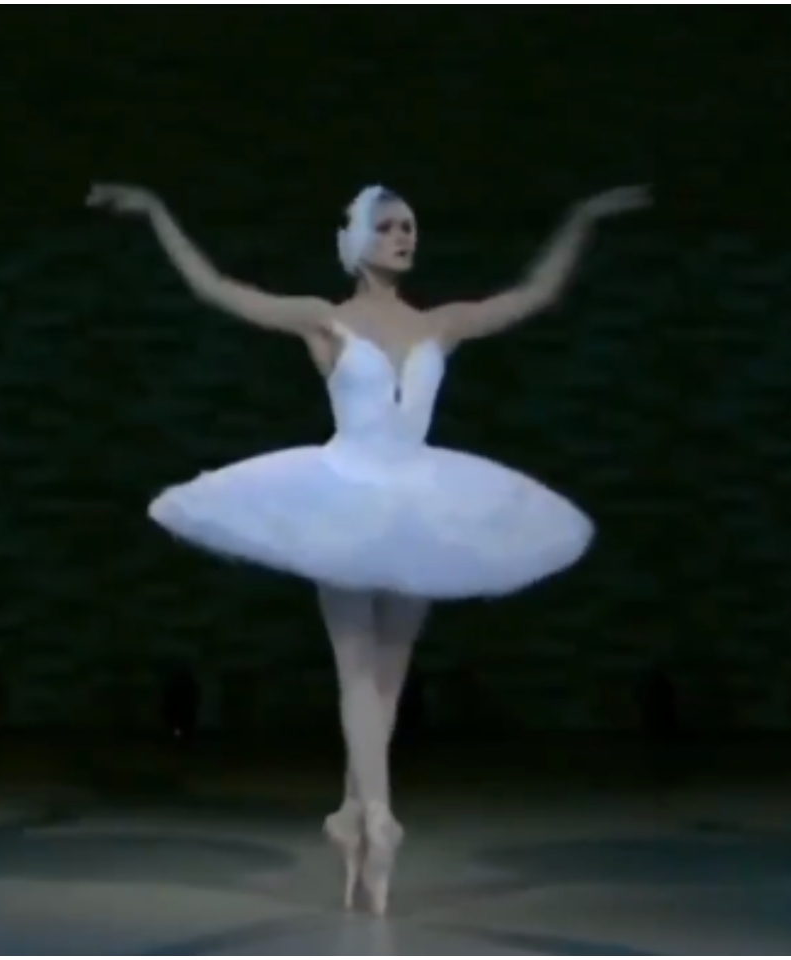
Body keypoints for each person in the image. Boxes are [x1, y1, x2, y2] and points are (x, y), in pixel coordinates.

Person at [86, 179, 647, 915]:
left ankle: (362, 818)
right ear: (354, 240)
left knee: (382, 673)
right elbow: (218, 290)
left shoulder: (441, 323)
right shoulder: (326, 320)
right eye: (387, 227)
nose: (403, 237)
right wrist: (159, 213)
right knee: (364, 669)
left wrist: (581, 217)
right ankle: (373, 820)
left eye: (410, 226)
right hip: (354, 492)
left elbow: (536, 293)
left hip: (410, 496)